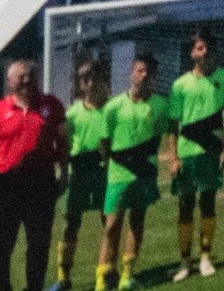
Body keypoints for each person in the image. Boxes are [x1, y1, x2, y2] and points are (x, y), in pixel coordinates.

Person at [0, 59, 68, 291]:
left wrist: (63, 174)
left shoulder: (51, 106)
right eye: (21, 76)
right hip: (6, 185)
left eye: (31, 75)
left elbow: (63, 143)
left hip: (40, 182)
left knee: (39, 245)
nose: (27, 80)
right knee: (0, 248)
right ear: (9, 81)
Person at [165, 31, 224, 281]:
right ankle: (185, 262)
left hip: (211, 150)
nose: (203, 52)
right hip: (186, 153)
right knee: (185, 206)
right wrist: (173, 157)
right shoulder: (180, 84)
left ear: (213, 51)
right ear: (192, 53)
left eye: (207, 48)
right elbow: (173, 125)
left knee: (208, 202)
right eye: (199, 48)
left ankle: (205, 257)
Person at [99, 54, 169, 291]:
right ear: (131, 74)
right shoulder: (114, 106)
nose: (144, 75)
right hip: (118, 173)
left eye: (148, 71)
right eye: (140, 70)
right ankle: (105, 274)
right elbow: (104, 141)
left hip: (145, 172)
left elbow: (159, 135)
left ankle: (128, 275)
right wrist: (114, 162)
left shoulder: (159, 105)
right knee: (112, 224)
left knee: (137, 220)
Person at [52, 61, 110, 291]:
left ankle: (104, 274)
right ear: (80, 85)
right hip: (78, 172)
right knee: (70, 225)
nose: (91, 83)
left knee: (109, 223)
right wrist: (63, 173)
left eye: (94, 77)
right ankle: (63, 278)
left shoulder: (111, 109)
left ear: (102, 80)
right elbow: (64, 145)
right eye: (86, 79)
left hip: (103, 170)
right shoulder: (73, 113)